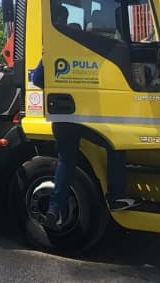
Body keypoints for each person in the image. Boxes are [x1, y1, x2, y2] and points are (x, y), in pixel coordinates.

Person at [31, 60, 136, 230]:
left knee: (66, 161)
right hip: (86, 117)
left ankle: (54, 208)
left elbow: (36, 79)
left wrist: (57, 88)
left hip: (61, 117)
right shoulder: (89, 53)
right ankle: (116, 197)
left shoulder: (53, 52)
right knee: (115, 146)